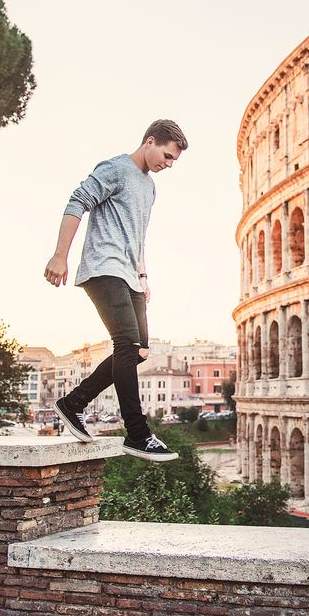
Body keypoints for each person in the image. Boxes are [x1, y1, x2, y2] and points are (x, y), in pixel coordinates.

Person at [44, 119, 188, 462]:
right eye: (166, 156)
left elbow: (137, 234)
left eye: (172, 162)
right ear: (150, 142)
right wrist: (60, 255)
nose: (167, 165)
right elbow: (77, 201)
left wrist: (143, 275)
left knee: (138, 352)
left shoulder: (150, 188)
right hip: (102, 267)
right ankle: (137, 433)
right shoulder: (115, 168)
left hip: (129, 274)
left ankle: (73, 402)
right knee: (125, 344)